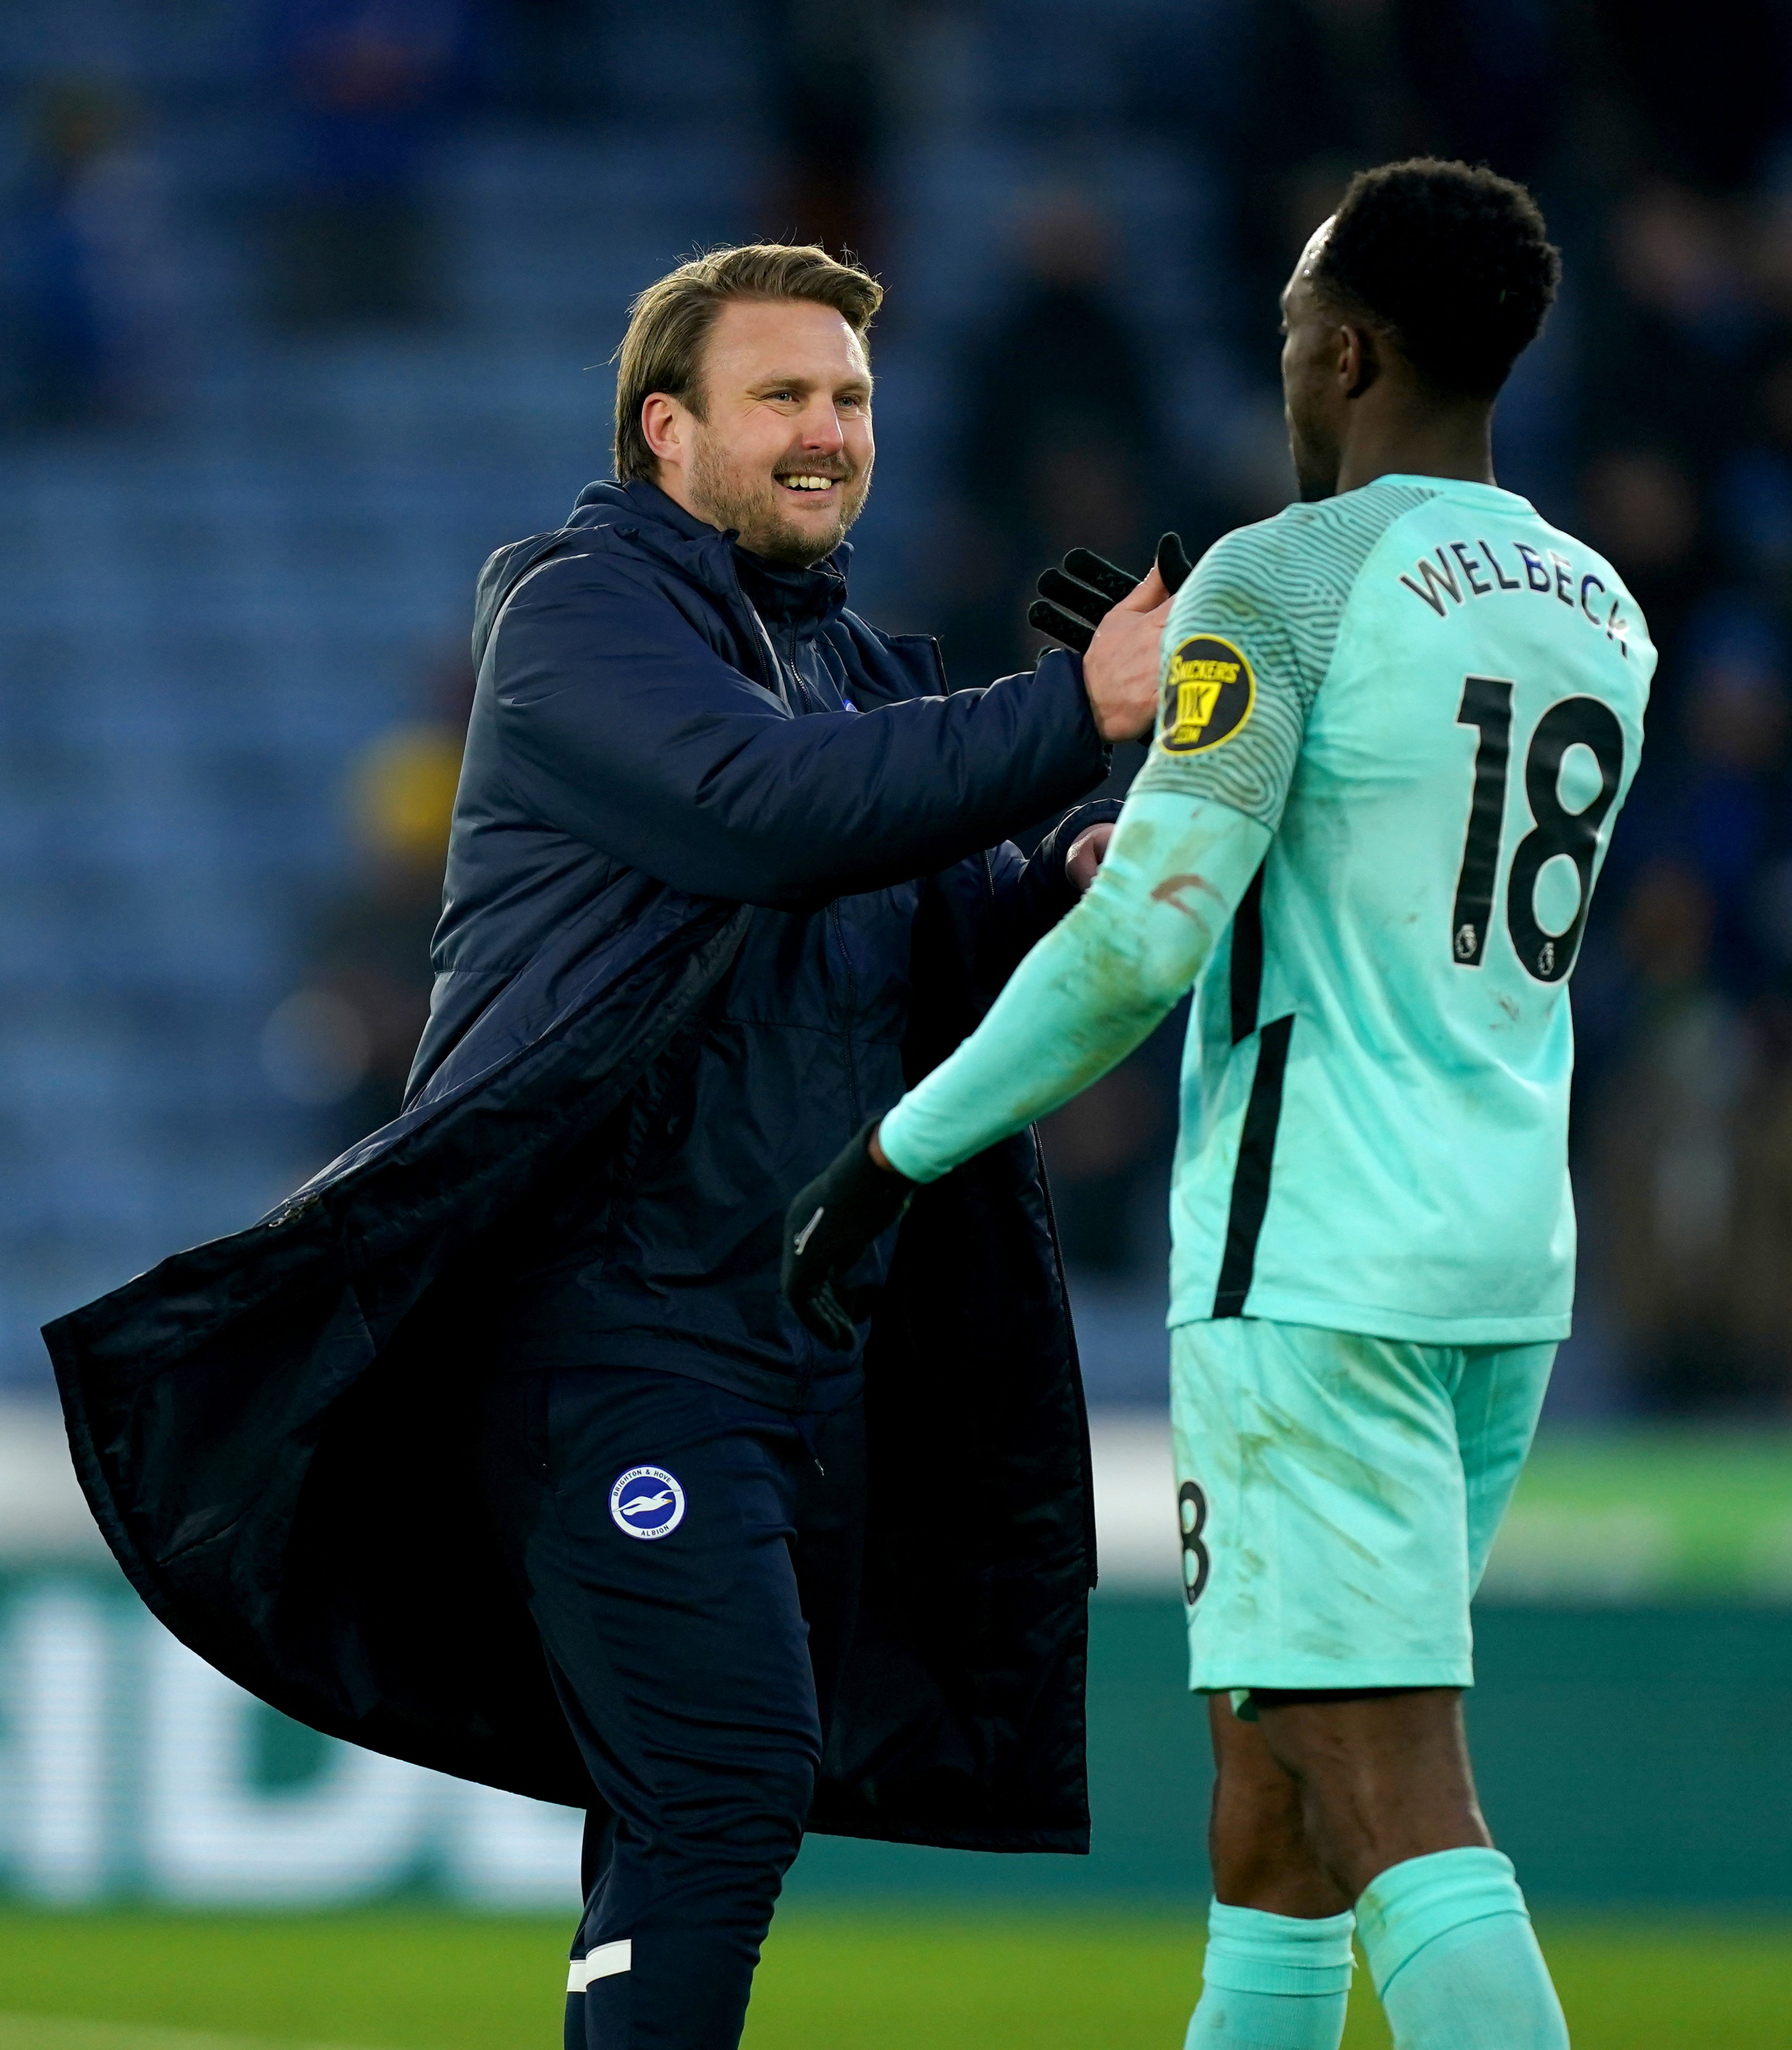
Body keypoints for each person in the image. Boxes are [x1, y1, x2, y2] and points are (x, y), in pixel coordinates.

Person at [46, 241, 1167, 2050]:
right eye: (783, 397)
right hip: (604, 1335)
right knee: (727, 1781)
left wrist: (1068, 879)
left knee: (681, 1816)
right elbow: (765, 816)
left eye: (854, 400)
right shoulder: (577, 615)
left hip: (791, 1351)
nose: (829, 432)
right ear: (668, 430)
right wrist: (1067, 715)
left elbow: (926, 930)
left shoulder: (864, 671)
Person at [785, 161, 1654, 2050]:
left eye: (1284, 330)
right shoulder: (1597, 605)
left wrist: (891, 1156)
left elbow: (1143, 945)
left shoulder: (1285, 580)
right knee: (1271, 1810)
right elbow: (1380, 866)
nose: (1274, 364)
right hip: (1498, 1252)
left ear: (1345, 350)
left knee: (1389, 1790)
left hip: (1315, 1259)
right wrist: (1198, 748)